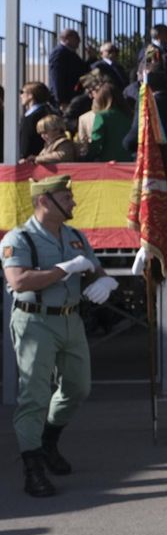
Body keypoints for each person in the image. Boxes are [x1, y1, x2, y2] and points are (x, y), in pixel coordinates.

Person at [2, 176, 117, 497]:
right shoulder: (20, 237)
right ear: (44, 201)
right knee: (34, 396)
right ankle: (33, 467)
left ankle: (48, 440)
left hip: (71, 320)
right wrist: (63, 269)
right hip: (35, 322)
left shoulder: (75, 235)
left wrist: (105, 282)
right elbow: (19, 280)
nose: (73, 203)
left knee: (79, 388)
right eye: (66, 198)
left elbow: (93, 268)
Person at [49, 29, 90, 107]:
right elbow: (57, 77)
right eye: (77, 38)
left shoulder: (71, 53)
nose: (79, 41)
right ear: (67, 38)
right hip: (64, 100)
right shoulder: (59, 52)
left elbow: (83, 70)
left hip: (72, 97)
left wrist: (92, 59)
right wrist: (60, 100)